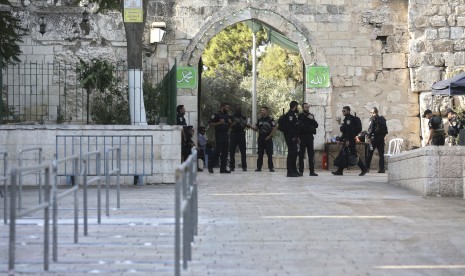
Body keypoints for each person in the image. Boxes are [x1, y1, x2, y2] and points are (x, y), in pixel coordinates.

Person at [332, 106, 368, 176]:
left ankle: (364, 169)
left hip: (350, 140)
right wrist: (341, 139)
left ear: (348, 111)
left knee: (353, 155)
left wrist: (347, 140)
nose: (343, 112)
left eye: (344, 111)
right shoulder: (346, 119)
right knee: (343, 154)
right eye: (342, 111)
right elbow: (345, 132)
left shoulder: (349, 119)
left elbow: (349, 131)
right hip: (347, 139)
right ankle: (340, 170)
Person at [251, 106, 276, 172]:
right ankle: (259, 167)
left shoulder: (271, 119)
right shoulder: (259, 119)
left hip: (268, 138)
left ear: (267, 111)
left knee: (269, 154)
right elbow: (256, 129)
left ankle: (271, 168)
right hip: (261, 138)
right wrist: (250, 126)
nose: (262, 111)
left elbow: (274, 128)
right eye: (261, 110)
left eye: (263, 110)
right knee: (260, 154)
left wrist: (269, 136)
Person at [208, 102, 232, 173]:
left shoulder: (227, 116)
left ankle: (223, 168)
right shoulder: (216, 115)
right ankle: (211, 166)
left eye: (228, 108)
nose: (227, 109)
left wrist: (230, 123)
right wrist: (219, 123)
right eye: (226, 107)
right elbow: (210, 124)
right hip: (219, 134)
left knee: (225, 151)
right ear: (222, 107)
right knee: (218, 151)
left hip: (226, 134)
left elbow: (229, 127)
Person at [298, 103, 318, 176]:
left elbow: (316, 125)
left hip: (309, 137)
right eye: (305, 107)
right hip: (302, 137)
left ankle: (312, 171)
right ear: (303, 108)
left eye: (307, 107)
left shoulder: (311, 115)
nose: (307, 108)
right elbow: (298, 127)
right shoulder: (300, 116)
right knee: (301, 155)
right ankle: (301, 171)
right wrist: (298, 137)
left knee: (311, 155)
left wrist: (312, 119)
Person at [365, 107, 387, 173]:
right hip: (381, 139)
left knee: (369, 153)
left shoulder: (372, 119)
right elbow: (385, 130)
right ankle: (382, 169)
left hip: (373, 139)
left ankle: (367, 168)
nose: (371, 114)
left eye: (371, 112)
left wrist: (368, 137)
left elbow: (371, 129)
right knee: (381, 154)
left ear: (373, 112)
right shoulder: (382, 119)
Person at [284, 101, 301, 177]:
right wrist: (293, 137)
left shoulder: (293, 114)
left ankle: (294, 170)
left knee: (294, 154)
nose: (297, 108)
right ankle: (290, 172)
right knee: (291, 154)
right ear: (294, 106)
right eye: (297, 106)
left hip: (294, 137)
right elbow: (289, 127)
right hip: (290, 137)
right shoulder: (290, 115)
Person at [229, 104, 249, 171]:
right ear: (235, 108)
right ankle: (232, 166)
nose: (238, 109)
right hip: (233, 134)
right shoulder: (231, 116)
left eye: (239, 108)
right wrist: (234, 122)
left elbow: (245, 126)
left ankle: (244, 166)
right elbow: (230, 126)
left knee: (243, 151)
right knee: (232, 151)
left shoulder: (243, 117)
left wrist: (241, 123)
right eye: (237, 108)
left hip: (241, 134)